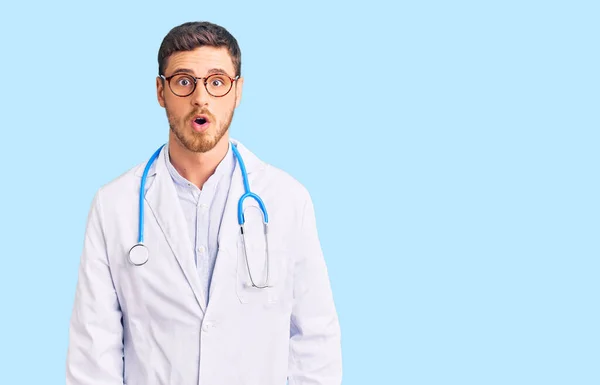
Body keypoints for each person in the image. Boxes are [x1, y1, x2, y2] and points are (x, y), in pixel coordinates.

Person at [65, 21, 342, 385]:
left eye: (216, 81)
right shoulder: (114, 205)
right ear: (160, 92)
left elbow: (315, 342)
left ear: (237, 91)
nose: (201, 98)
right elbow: (93, 354)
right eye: (183, 81)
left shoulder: (287, 199)